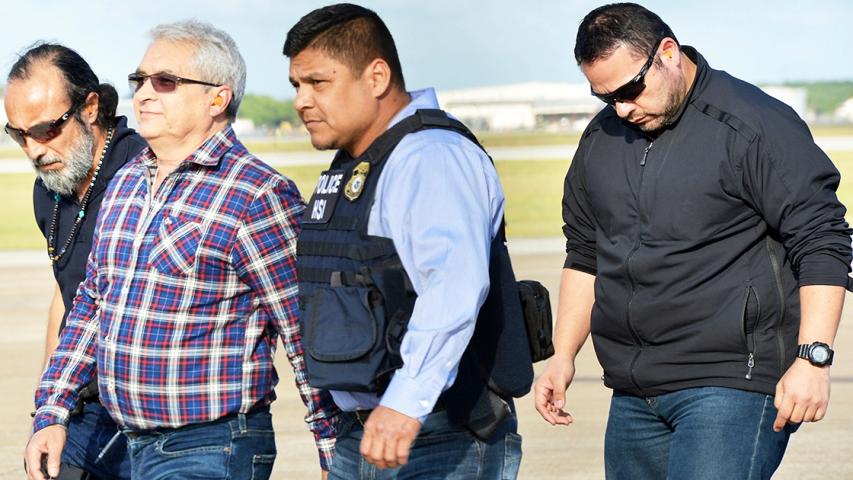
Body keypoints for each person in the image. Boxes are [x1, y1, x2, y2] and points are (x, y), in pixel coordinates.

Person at [534, 3, 852, 479]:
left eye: (629, 90)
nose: (621, 108)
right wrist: (563, 356)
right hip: (635, 393)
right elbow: (585, 254)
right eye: (605, 97)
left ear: (667, 53)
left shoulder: (753, 124)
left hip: (731, 383)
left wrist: (813, 358)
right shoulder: (601, 138)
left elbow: (822, 239)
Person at [24, 20, 338, 480]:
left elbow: (302, 330)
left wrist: (331, 451)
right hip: (130, 443)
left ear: (217, 98)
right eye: (139, 81)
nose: (144, 94)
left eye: (165, 81)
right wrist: (52, 411)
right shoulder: (126, 183)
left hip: (212, 446)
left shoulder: (257, 193)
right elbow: (92, 306)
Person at [285, 3, 526, 479]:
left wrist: (405, 402)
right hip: (370, 430)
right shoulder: (361, 161)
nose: (301, 101)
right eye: (296, 85)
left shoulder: (430, 157)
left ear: (376, 77)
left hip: (435, 433)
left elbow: (453, 286)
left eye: (318, 82)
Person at [5, 43, 146, 480]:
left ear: (90, 108)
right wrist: (47, 410)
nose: (34, 150)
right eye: (18, 134)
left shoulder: (144, 174)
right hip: (85, 404)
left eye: (46, 129)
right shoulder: (49, 189)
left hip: (154, 407)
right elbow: (65, 294)